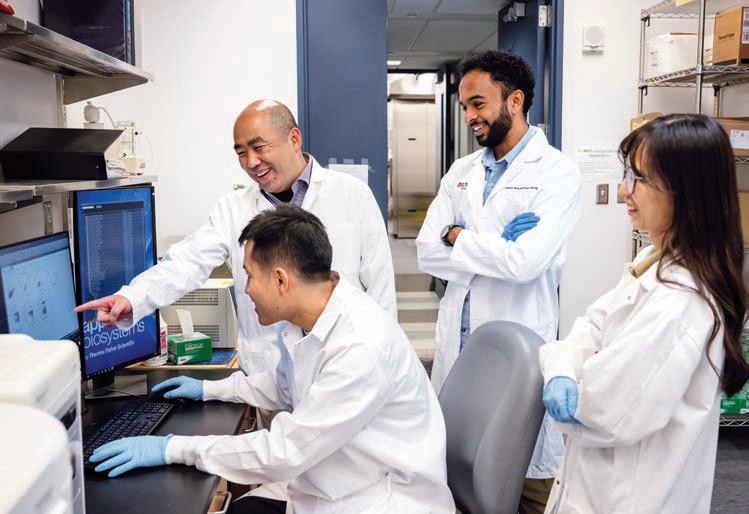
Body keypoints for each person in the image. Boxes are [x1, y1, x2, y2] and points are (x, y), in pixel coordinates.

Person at [89, 206, 456, 514]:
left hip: (380, 499)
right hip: (335, 481)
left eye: (249, 276)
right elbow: (285, 384)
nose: (246, 289)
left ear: (281, 280)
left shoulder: (360, 346)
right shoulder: (311, 316)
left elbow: (284, 452)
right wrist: (210, 389)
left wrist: (173, 448)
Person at [76, 99, 396, 375]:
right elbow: (186, 263)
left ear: (294, 139)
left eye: (259, 147)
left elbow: (381, 288)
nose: (251, 162)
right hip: (268, 373)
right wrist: (132, 298)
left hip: (345, 368)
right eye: (241, 152)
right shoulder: (234, 208)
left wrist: (383, 365)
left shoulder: (352, 195)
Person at [540, 114, 749, 514]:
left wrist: (569, 371)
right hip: (603, 485)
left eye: (638, 178)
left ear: (686, 192)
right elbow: (590, 326)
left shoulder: (680, 302)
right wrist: (569, 368)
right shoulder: (653, 262)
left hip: (631, 497)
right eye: (626, 175)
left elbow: (604, 408)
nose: (623, 190)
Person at [416, 49, 582, 512]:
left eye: (478, 103)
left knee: (522, 476)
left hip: (518, 344)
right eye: (464, 106)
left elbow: (526, 263)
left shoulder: (557, 173)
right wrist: (495, 245)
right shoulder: (461, 172)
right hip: (459, 345)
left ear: (515, 100)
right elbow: (427, 251)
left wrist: (459, 237)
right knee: (456, 471)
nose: (470, 116)